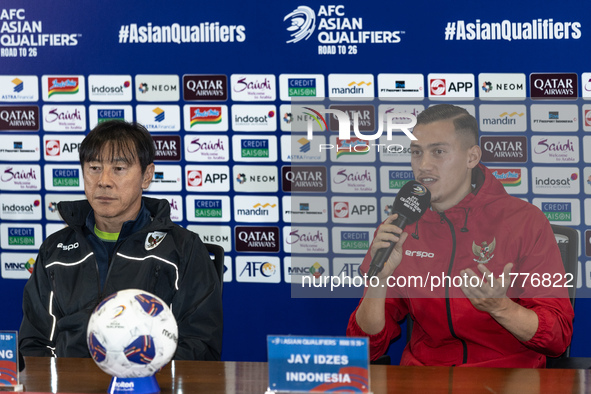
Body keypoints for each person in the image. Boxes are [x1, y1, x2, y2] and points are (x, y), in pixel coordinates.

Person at [347, 104, 574, 367]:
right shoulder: (400, 228)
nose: (424, 165)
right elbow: (366, 347)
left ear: (472, 157)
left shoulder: (525, 221)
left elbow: (557, 338)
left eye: (438, 152)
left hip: (505, 378)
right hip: (425, 379)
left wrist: (502, 308)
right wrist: (379, 280)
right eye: (416, 153)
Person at [19, 120, 223, 360]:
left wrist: (139, 372)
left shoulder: (182, 249)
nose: (104, 181)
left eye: (119, 168)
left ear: (147, 176)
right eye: (94, 167)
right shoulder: (55, 251)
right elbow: (34, 344)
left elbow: (200, 346)